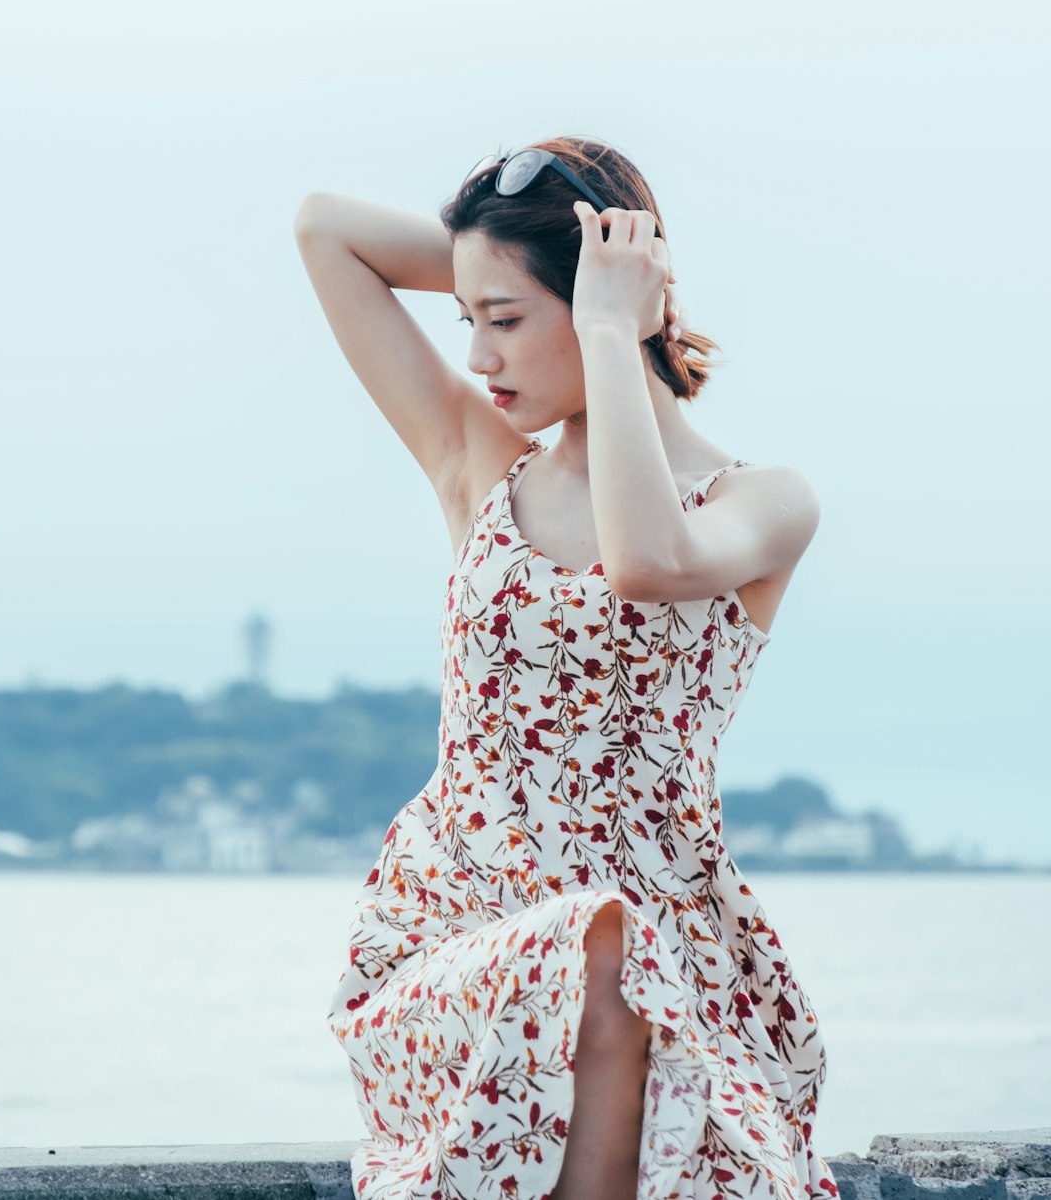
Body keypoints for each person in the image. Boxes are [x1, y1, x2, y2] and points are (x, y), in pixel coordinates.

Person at [293, 137, 838, 1200]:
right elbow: (327, 228)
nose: (478, 357)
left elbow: (646, 562)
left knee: (611, 957)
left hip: (666, 953)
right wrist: (535, 270)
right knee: (594, 953)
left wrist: (605, 316)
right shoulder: (478, 464)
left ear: (608, 309)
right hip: (457, 927)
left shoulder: (762, 501)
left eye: (503, 321)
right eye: (467, 319)